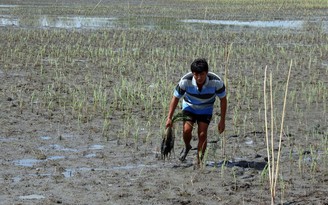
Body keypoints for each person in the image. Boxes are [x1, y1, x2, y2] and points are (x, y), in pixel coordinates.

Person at [165, 58, 227, 165]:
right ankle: (187, 146)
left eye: (202, 74)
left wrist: (222, 120)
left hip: (206, 108)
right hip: (189, 106)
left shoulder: (216, 82)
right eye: (196, 75)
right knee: (187, 130)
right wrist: (169, 117)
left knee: (202, 134)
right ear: (192, 73)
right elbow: (175, 98)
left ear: (206, 73)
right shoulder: (185, 81)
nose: (199, 78)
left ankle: (199, 161)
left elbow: (223, 100)